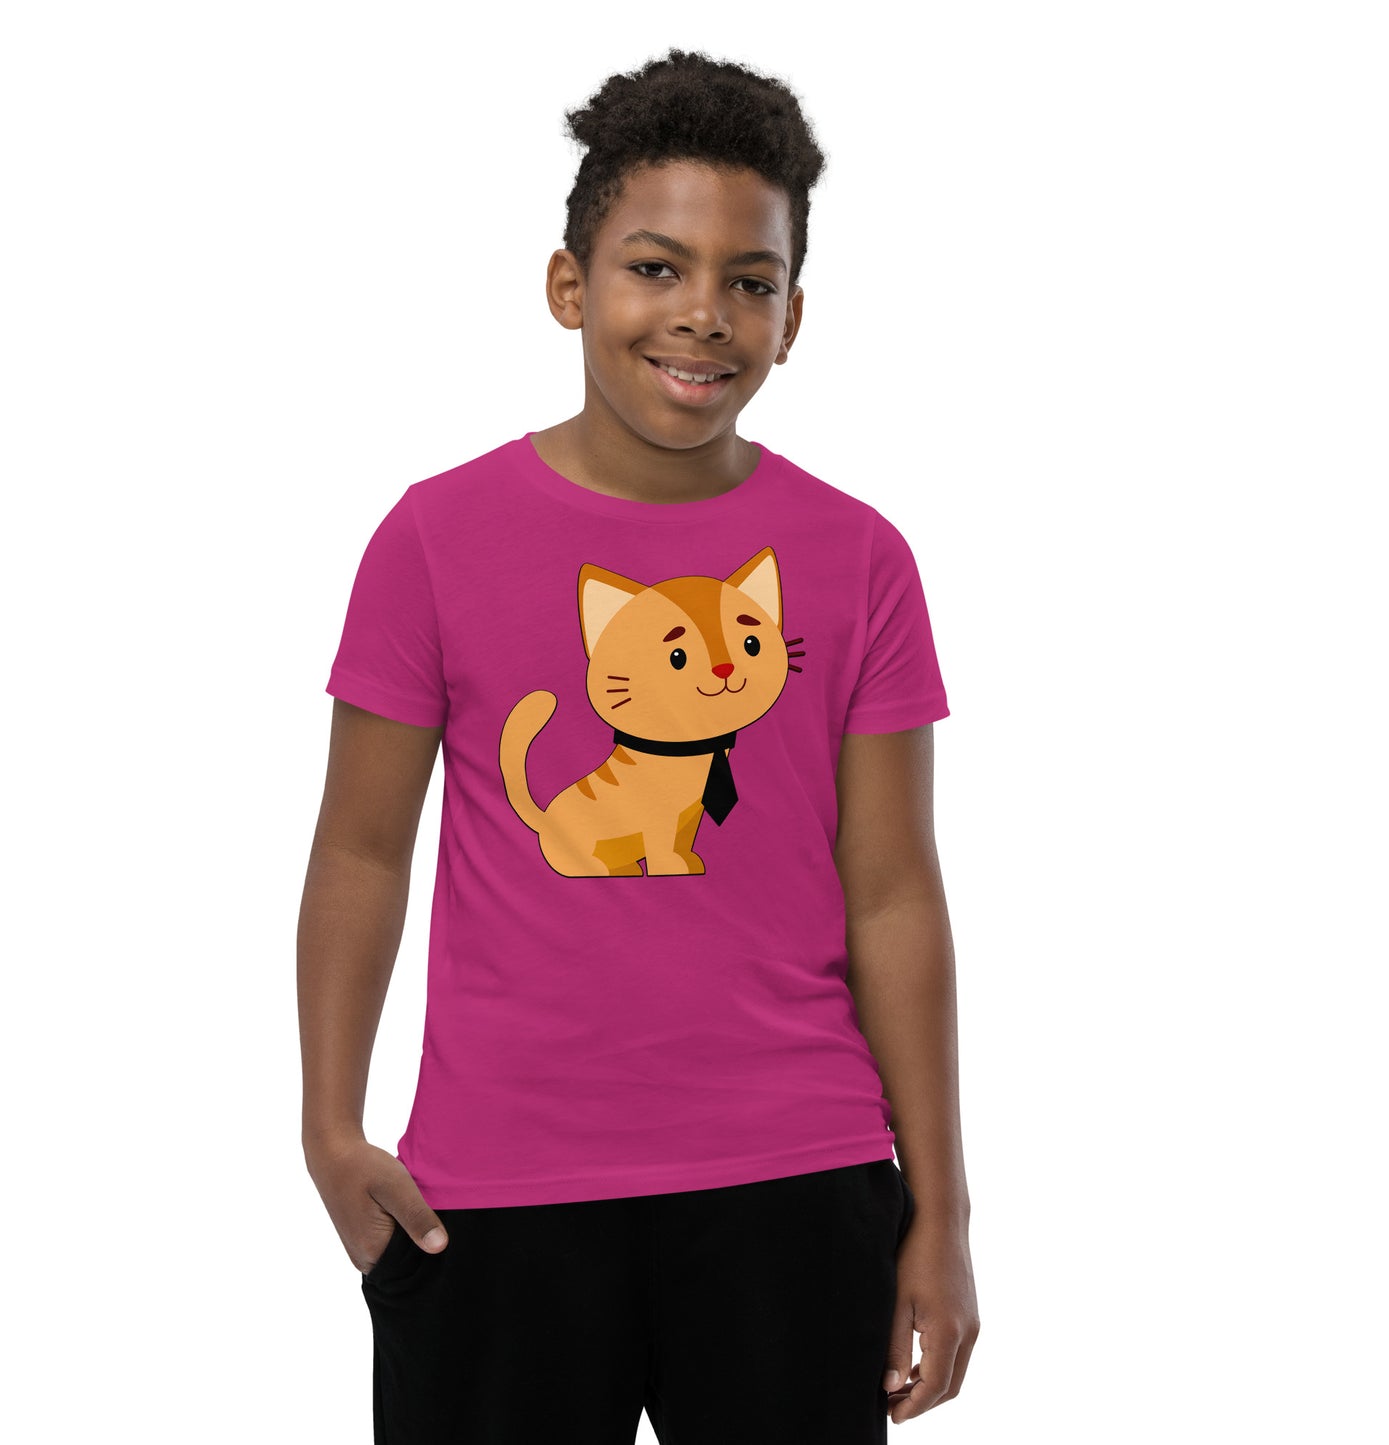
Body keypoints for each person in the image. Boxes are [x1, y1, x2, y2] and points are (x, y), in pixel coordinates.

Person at [298, 46, 979, 1444]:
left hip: (796, 1179)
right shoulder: (433, 538)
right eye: (656, 268)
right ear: (570, 285)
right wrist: (329, 1127)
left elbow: (894, 891)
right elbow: (361, 850)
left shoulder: (857, 558)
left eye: (751, 281)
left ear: (794, 316)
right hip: (494, 1196)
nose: (704, 315)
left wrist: (943, 1207)